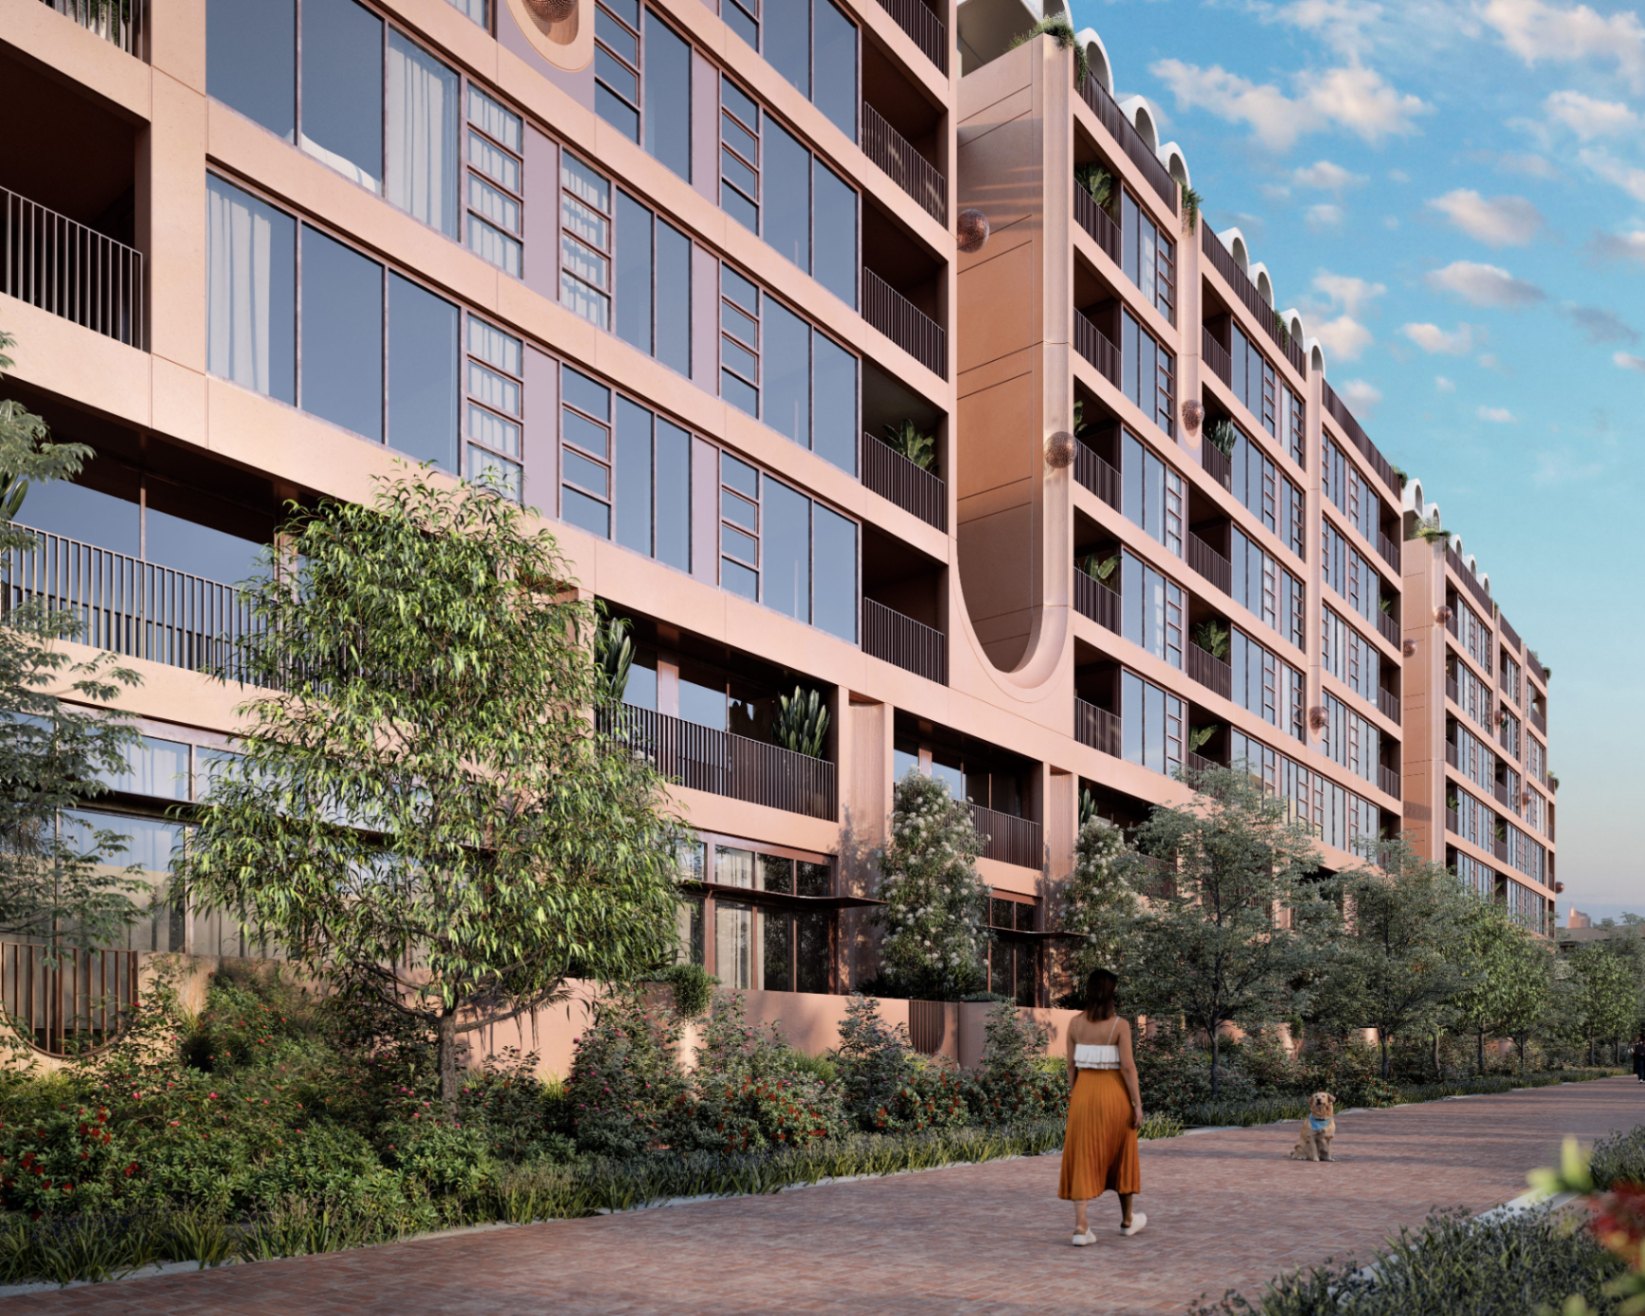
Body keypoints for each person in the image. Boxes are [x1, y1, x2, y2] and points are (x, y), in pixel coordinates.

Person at [1059, 967, 1144, 1246]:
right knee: (1122, 1153)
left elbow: (1070, 1066)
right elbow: (1128, 1067)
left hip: (1084, 1095)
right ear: (1111, 994)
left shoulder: (1074, 1024)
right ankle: (1128, 1221)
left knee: (1083, 1155)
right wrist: (1137, 1105)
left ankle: (1081, 1228)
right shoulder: (1120, 1025)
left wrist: (1076, 1096)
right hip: (1114, 1096)